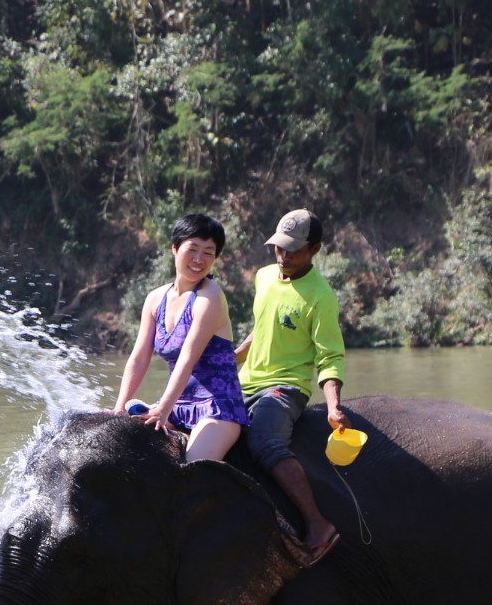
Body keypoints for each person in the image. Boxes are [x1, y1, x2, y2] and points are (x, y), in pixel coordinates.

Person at [236, 208, 346, 565]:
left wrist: (332, 406)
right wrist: (230, 360)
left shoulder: (320, 297)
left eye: (293, 251)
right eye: (278, 248)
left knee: (265, 442)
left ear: (314, 249)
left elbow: (330, 357)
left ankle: (317, 525)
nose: (283, 257)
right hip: (245, 382)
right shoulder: (264, 277)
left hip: (284, 388)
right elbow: (263, 328)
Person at [111, 213, 249, 463]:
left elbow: (188, 358)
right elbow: (140, 357)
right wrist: (119, 408)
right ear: (175, 249)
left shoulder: (210, 298)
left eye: (208, 252)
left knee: (193, 467)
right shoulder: (155, 299)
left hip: (217, 407)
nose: (199, 260)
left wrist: (163, 409)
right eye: (192, 249)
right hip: (178, 405)